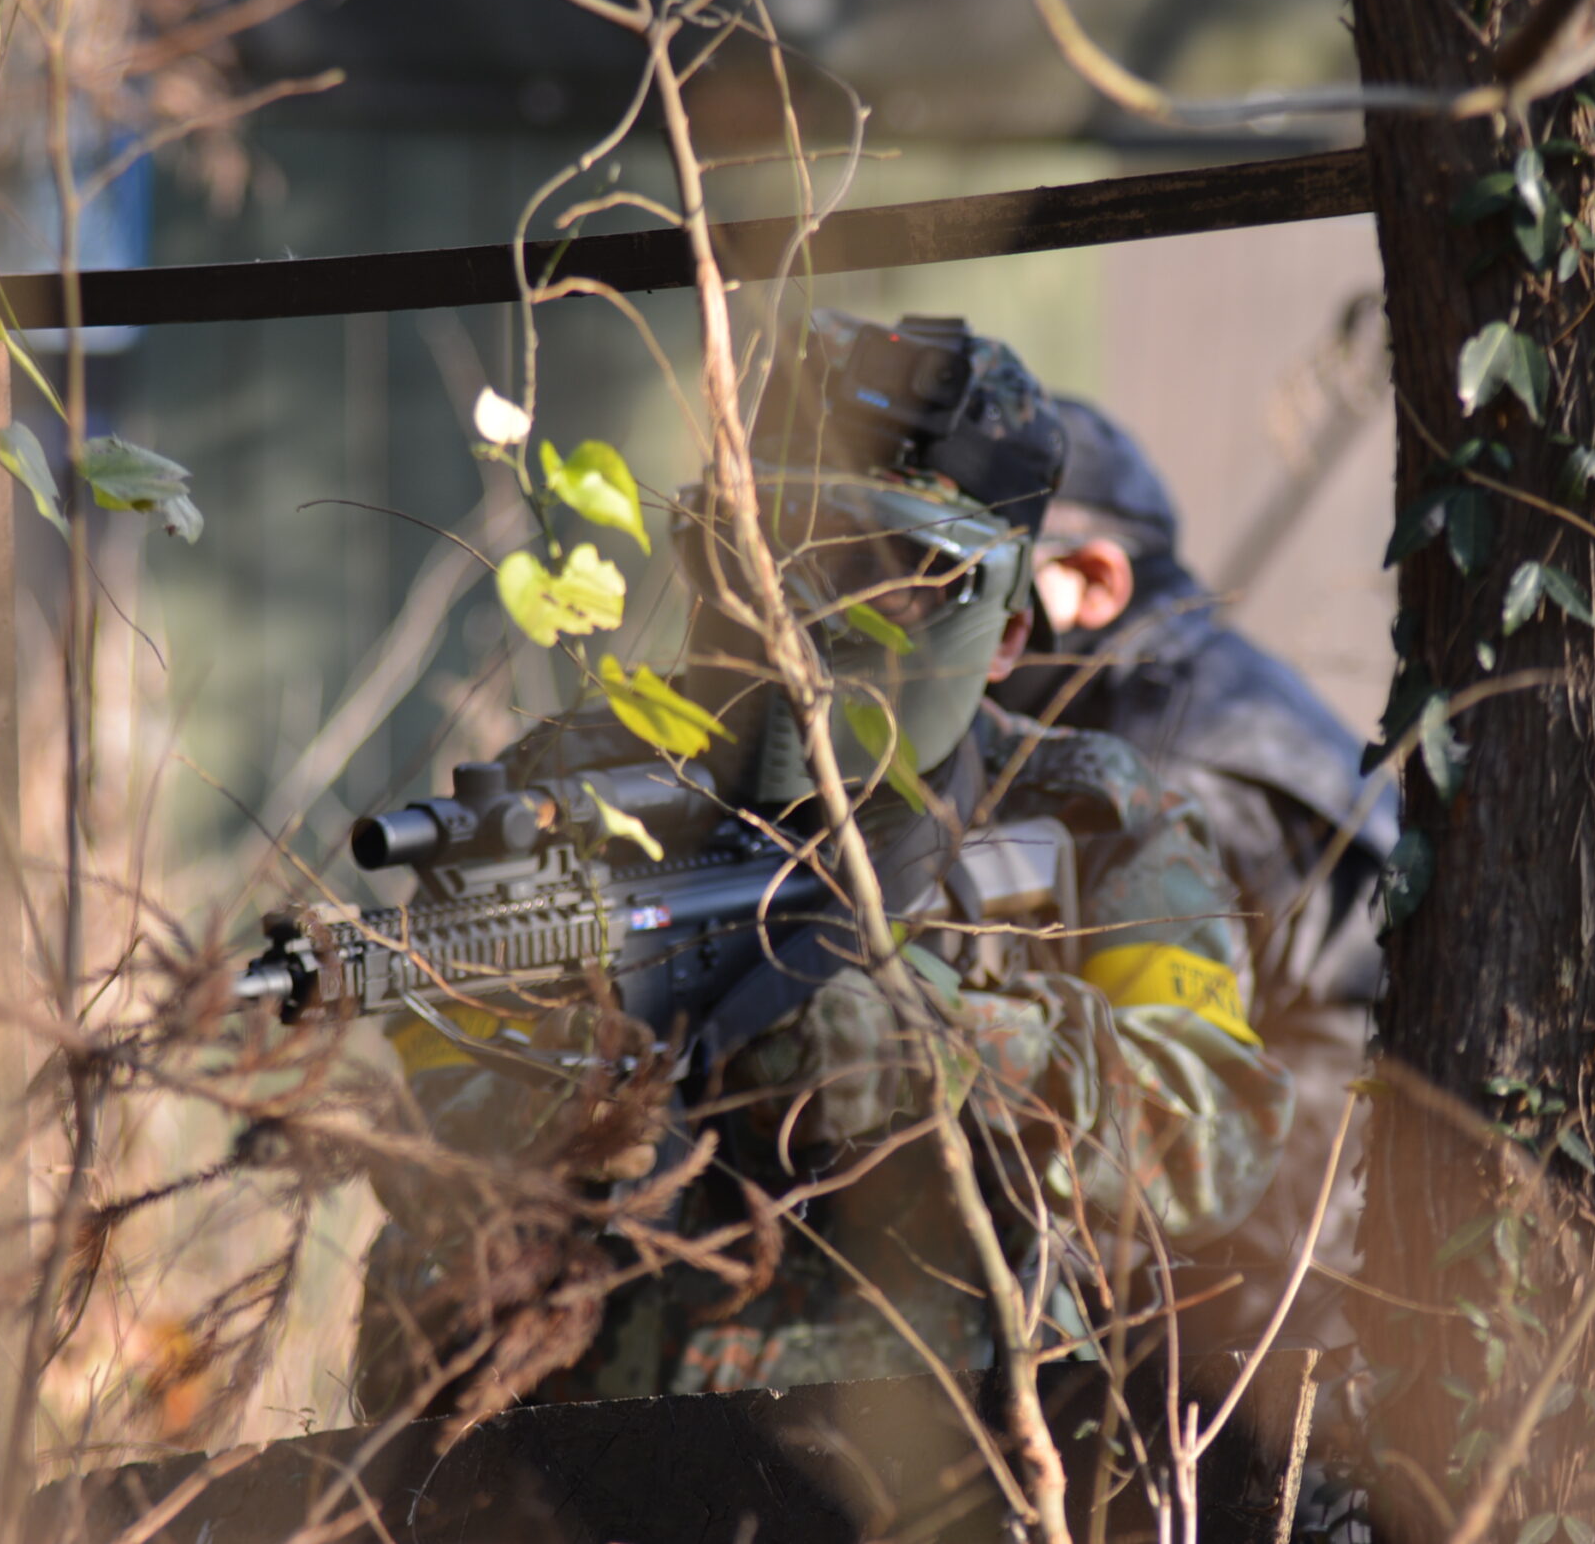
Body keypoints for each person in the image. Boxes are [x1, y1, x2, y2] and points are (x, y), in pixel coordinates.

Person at [352, 312, 1295, 1412]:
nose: (812, 610)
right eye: (779, 548)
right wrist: (592, 1097)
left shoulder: (1088, 817)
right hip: (573, 1422)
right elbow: (428, 1119)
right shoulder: (571, 789)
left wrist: (932, 1050)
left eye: (891, 573)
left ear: (1006, 635)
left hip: (944, 1438)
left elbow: (1216, 1131)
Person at [988, 394, 1397, 1355]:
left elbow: (1174, 1120)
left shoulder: (1165, 764)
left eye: (983, 579)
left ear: (1093, 581)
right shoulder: (1196, 682)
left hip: (1286, 1288)